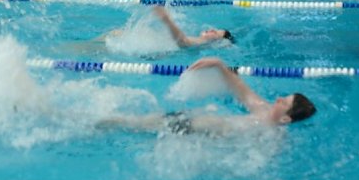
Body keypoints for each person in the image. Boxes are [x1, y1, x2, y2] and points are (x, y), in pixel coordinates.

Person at [97, 57, 316, 134]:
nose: (278, 99)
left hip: (196, 133)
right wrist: (220, 65)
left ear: (286, 118)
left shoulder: (273, 138)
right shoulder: (264, 109)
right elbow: (240, 88)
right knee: (129, 123)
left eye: (284, 102)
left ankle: (88, 122)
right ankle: (93, 122)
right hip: (191, 124)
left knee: (129, 124)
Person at [153, 5, 233, 47]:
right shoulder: (201, 41)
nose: (211, 29)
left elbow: (182, 41)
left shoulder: (202, 42)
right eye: (214, 29)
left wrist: (167, 21)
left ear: (216, 42)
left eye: (215, 32)